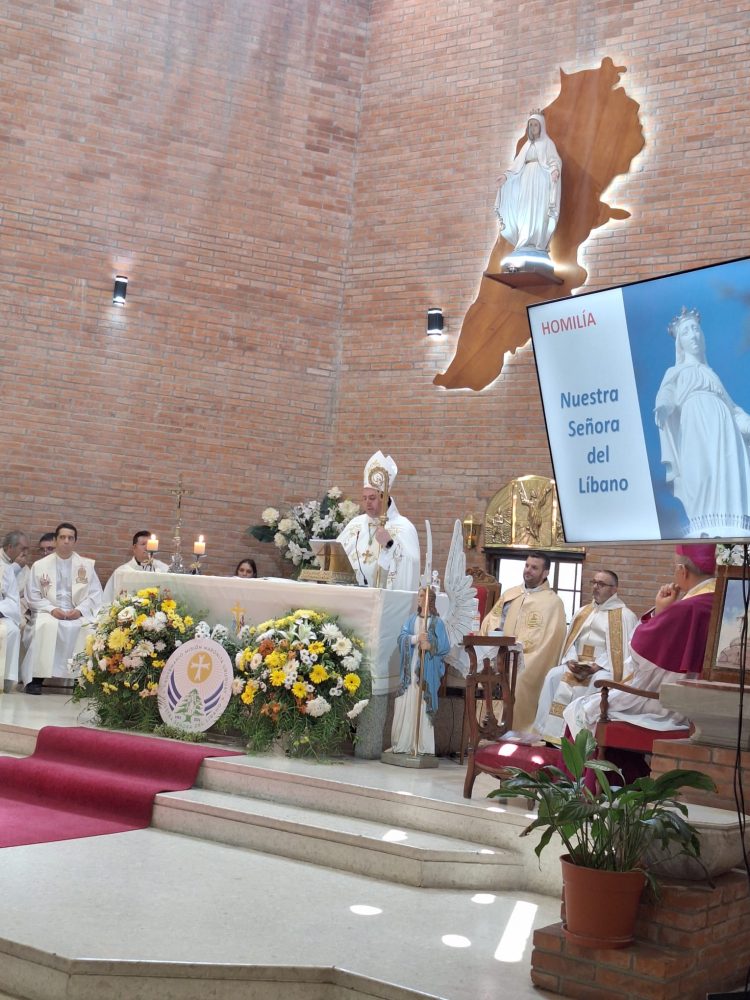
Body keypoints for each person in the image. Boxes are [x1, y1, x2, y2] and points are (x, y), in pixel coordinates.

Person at [565, 544, 717, 738]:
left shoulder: (686, 608)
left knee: (583, 710)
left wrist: (661, 611)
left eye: (674, 568)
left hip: (667, 702)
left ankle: (599, 768)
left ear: (683, 571)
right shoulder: (722, 600)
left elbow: (638, 655)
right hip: (701, 700)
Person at [655, 306, 750, 537]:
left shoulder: (712, 374)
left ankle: (729, 522)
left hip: (724, 430)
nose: (693, 335)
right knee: (700, 474)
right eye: (686, 331)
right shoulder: (675, 371)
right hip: (695, 426)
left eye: (696, 330)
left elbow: (732, 407)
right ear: (680, 342)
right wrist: (664, 406)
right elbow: (666, 392)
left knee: (726, 474)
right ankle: (704, 524)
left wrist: (745, 421)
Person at [531, 570, 639, 744]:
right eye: (594, 582)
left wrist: (597, 666)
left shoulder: (625, 616)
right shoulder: (583, 612)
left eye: (601, 584)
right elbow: (571, 641)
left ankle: (582, 739)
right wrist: (572, 660)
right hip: (577, 663)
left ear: (614, 589)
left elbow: (622, 652)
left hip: (605, 667)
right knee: (553, 675)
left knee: (598, 681)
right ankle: (547, 733)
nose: (596, 587)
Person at [479, 551, 566, 731]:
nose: (528, 570)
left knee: (518, 679)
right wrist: (496, 631)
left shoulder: (553, 602)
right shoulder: (511, 594)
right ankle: (486, 729)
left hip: (530, 660)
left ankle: (516, 731)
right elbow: (492, 620)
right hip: (500, 653)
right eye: (527, 566)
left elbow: (550, 641)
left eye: (534, 568)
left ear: (545, 573)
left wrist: (519, 655)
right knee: (483, 672)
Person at [20, 522, 103, 695]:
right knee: (45, 626)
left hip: (76, 611)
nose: (66, 541)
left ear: (75, 542)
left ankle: (80, 680)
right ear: (56, 540)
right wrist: (51, 609)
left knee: (87, 629)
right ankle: (36, 679)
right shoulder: (40, 565)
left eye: (70, 538)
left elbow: (95, 594)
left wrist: (80, 610)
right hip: (49, 611)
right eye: (62, 537)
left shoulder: (86, 566)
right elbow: (32, 595)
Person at [337, 451, 420, 590]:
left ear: (384, 497)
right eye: (364, 498)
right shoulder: (355, 524)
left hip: (382, 601)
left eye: (372, 498)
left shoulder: (404, 527)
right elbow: (335, 555)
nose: (367, 503)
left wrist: (390, 544)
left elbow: (411, 565)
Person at [389, 586, 450, 756]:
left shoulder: (437, 623)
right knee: (407, 701)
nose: (419, 598)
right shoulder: (411, 620)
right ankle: (404, 742)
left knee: (422, 704)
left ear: (430, 599)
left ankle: (422, 745)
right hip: (410, 671)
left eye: (422, 595)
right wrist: (415, 639)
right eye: (419, 595)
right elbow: (401, 638)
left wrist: (430, 645)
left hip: (426, 671)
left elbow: (445, 647)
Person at [494, 111, 562, 259]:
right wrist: (505, 177)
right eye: (530, 125)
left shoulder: (547, 143)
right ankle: (524, 241)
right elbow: (516, 165)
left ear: (541, 126)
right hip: (526, 181)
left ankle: (538, 243)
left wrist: (555, 170)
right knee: (524, 211)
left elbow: (554, 160)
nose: (533, 128)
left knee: (539, 211)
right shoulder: (526, 146)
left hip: (541, 181)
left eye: (535, 125)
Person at [102, 530, 169, 603]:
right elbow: (108, 599)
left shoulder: (163, 569)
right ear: (134, 547)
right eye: (143, 544)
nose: (147, 547)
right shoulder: (122, 572)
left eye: (149, 544)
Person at [0, 561, 22, 693]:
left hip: (1, 611)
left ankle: (5, 680)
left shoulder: (4, 569)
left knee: (12, 631)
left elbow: (12, 598)